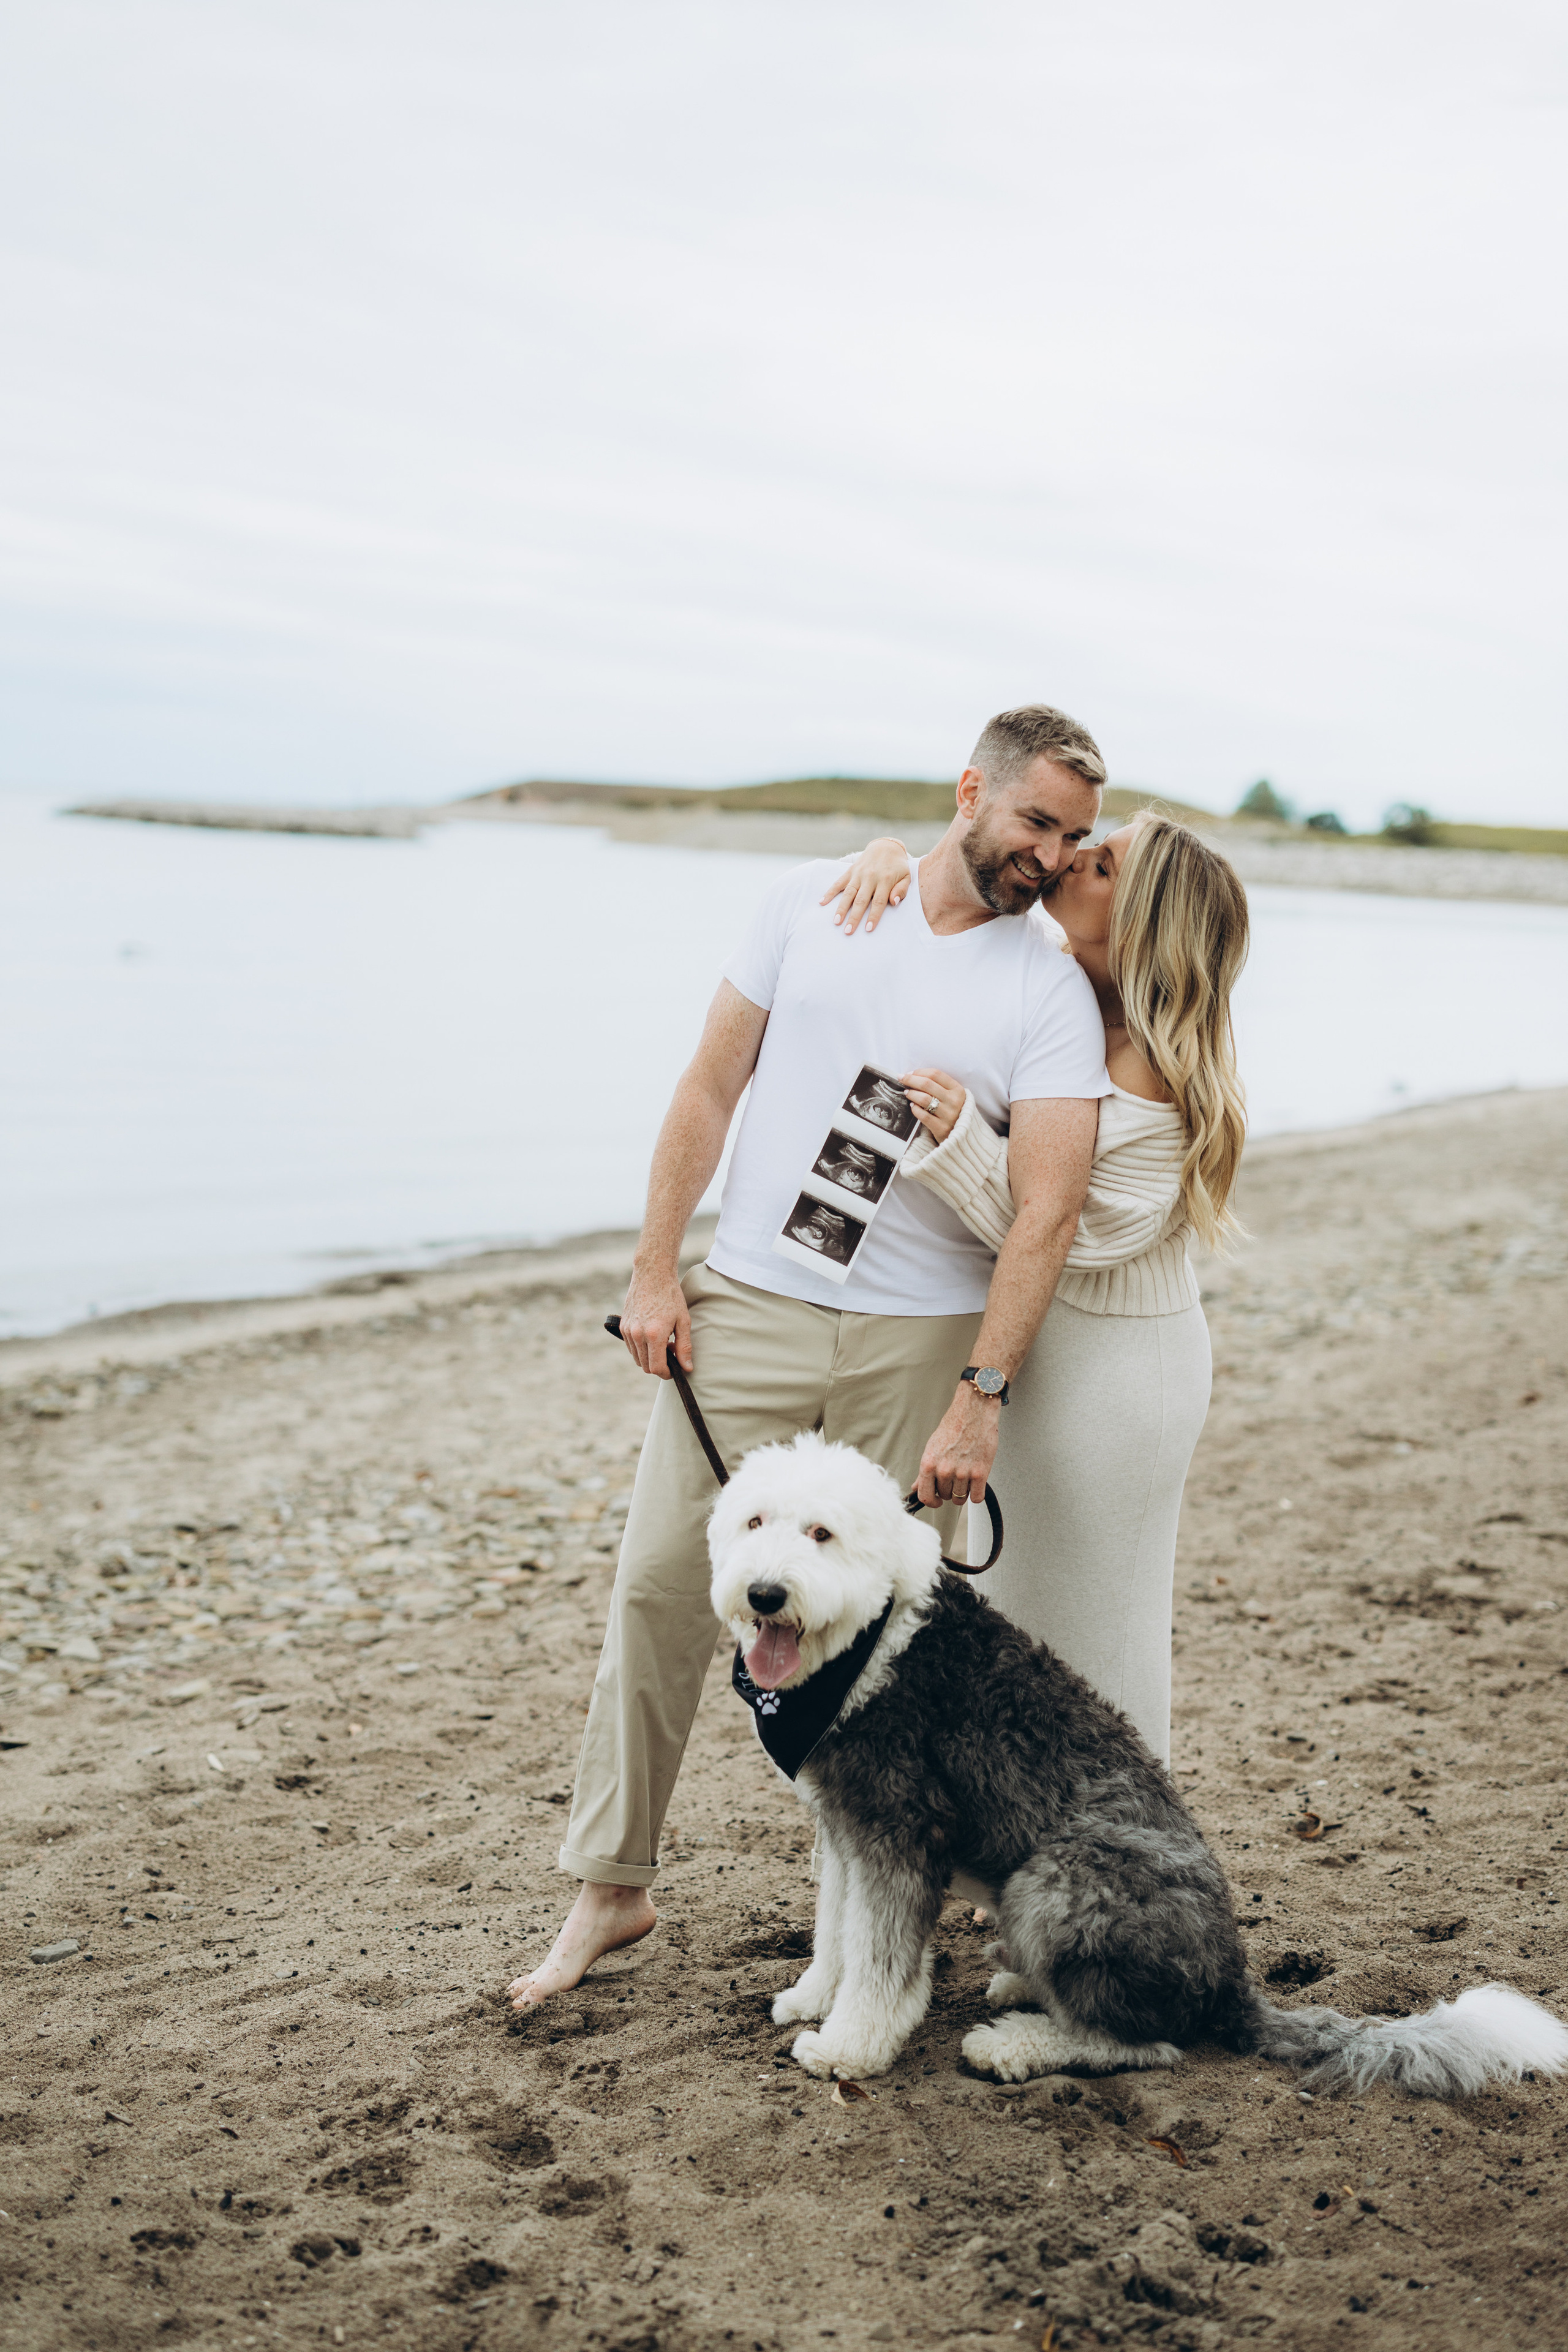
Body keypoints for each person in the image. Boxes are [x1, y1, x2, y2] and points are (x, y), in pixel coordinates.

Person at [508, 703, 1114, 2008]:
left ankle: (877, 1920)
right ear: (971, 791)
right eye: (1034, 821)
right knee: (663, 1588)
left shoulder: (1047, 985)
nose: (1051, 853)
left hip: (921, 1339)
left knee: (901, 1641)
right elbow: (708, 1087)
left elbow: (1049, 1209)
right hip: (753, 1302)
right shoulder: (816, 901)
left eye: (1074, 835)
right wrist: (654, 1266)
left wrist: (980, 1394)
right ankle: (611, 1888)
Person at [823, 812, 1248, 1765]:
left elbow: (1077, 1233)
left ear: (1139, 919)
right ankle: (1018, 1831)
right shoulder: (1060, 992)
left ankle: (1118, 1833)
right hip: (1036, 1349)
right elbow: (957, 907)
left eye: (1099, 866)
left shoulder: (1150, 1058)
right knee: (1019, 1608)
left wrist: (963, 1142)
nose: (1068, 866)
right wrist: (892, 857)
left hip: (1118, 1373)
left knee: (1105, 1612)